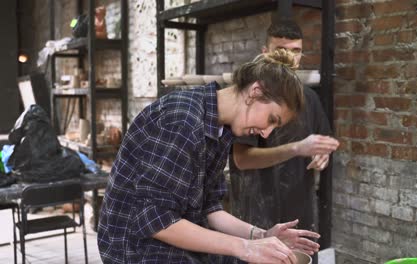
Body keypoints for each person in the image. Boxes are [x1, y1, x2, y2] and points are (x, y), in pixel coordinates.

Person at [98, 49, 324, 264]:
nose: (266, 133)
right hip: (134, 248)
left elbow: (209, 209)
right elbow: (155, 221)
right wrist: (245, 248)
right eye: (272, 120)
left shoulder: (220, 130)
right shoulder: (182, 119)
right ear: (256, 92)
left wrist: (260, 236)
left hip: (169, 237)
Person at [229, 20, 339, 233]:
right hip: (256, 210)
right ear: (265, 52)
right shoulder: (252, 97)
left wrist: (322, 156)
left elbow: (325, 143)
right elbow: (241, 159)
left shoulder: (310, 98)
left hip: (300, 207)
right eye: (281, 50)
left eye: (296, 51)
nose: (290, 57)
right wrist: (296, 149)